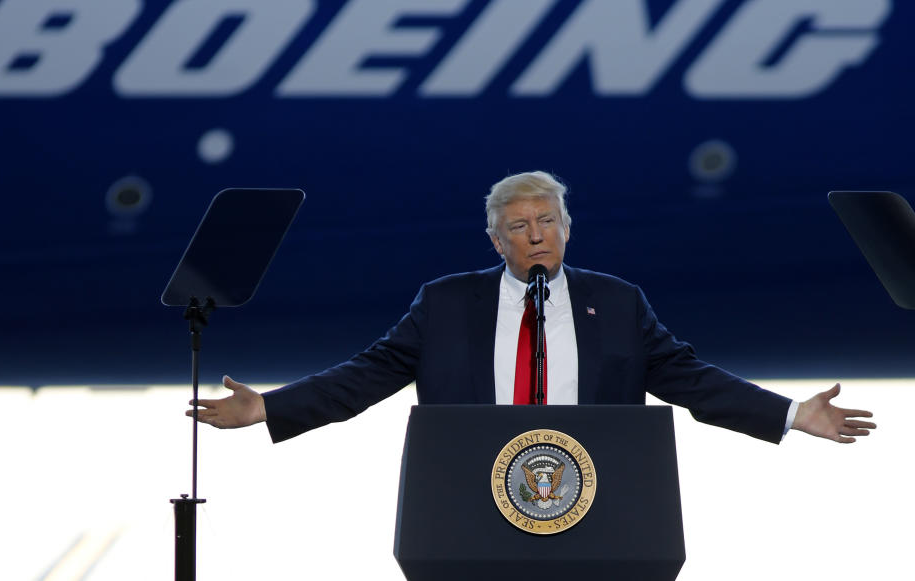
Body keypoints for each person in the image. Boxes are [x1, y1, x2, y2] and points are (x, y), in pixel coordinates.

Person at [188, 171, 875, 445]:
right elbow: (364, 377)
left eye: (547, 219)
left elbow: (693, 380)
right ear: (496, 238)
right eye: (519, 225)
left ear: (568, 228)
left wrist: (791, 412)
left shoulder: (618, 301)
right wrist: (269, 407)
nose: (536, 232)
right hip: (469, 501)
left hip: (599, 499)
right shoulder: (448, 302)